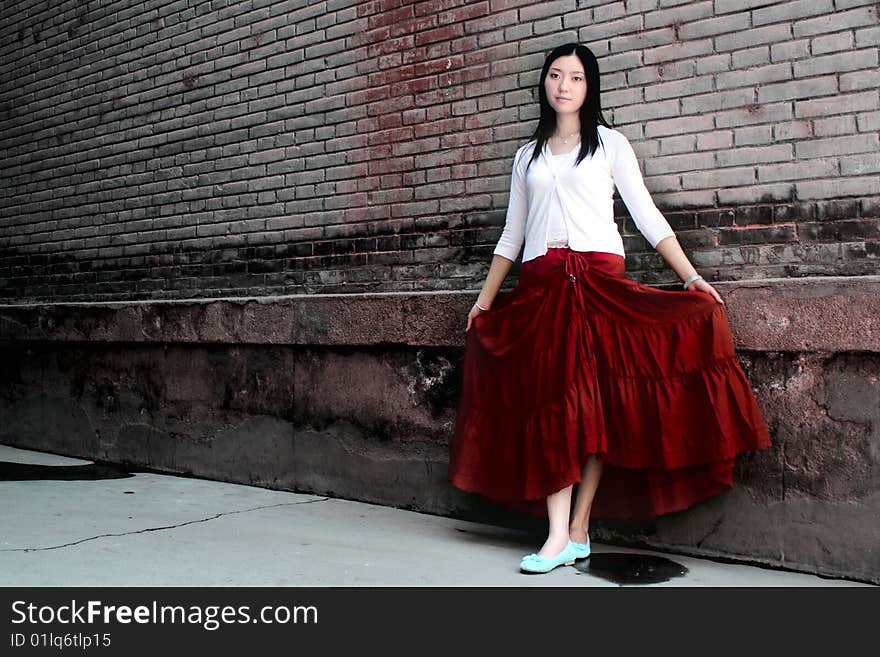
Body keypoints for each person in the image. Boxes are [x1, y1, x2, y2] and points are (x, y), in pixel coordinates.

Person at [448, 43, 772, 574]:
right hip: (542, 289)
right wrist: (484, 301)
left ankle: (576, 530)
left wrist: (689, 276)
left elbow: (644, 214)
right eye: (555, 76)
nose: (563, 86)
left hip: (600, 284)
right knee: (555, 404)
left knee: (596, 410)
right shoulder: (526, 156)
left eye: (575, 77)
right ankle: (555, 535)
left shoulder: (610, 146)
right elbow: (513, 232)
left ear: (588, 86)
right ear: (544, 85)